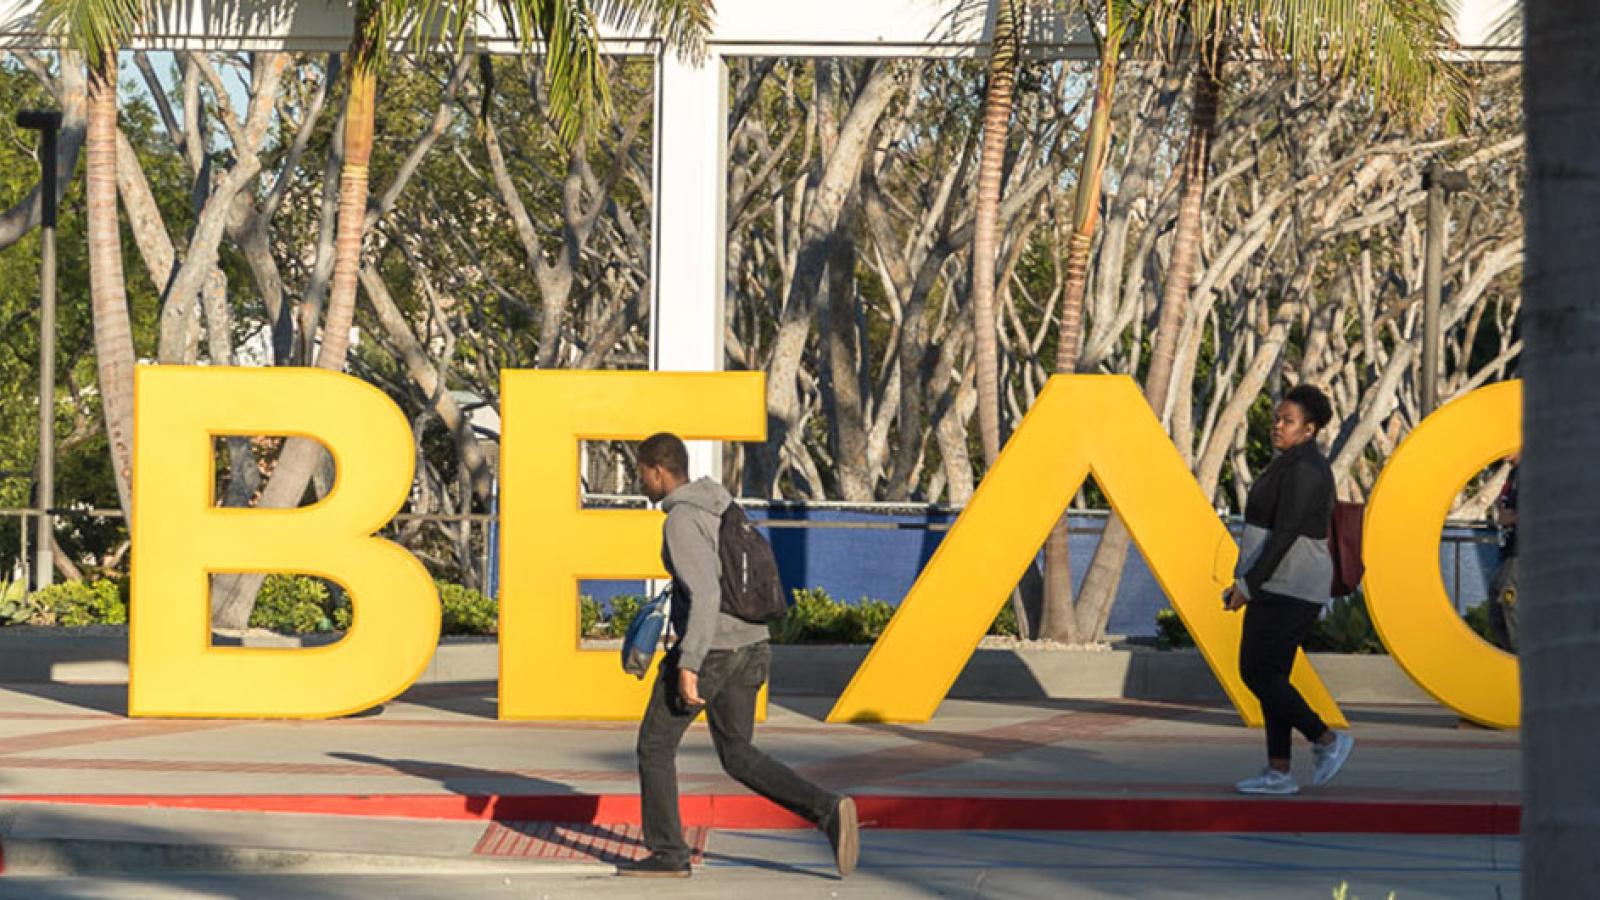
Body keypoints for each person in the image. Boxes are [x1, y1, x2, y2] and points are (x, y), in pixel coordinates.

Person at [620, 432, 859, 878]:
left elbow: (707, 593)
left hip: (714, 650)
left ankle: (669, 853)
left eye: (641, 474)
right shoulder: (722, 505)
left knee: (654, 745)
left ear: (657, 471)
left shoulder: (682, 518)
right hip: (753, 645)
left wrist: (688, 665)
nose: (641, 484)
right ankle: (828, 810)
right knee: (737, 754)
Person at [1225, 384, 1355, 795]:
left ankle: (1326, 739)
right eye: (1277, 418)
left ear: (1310, 429)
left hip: (1292, 586)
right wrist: (1247, 580)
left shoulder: (1306, 470)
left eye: (1288, 421)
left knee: (1257, 671)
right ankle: (1278, 771)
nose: (1277, 426)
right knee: (1272, 675)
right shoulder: (1291, 463)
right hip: (1277, 584)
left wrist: (1249, 584)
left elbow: (1284, 536)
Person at [1487, 455, 1519, 652]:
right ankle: (1508, 654)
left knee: (1509, 597)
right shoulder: (1513, 472)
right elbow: (1501, 508)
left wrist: (1511, 517)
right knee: (1496, 595)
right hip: (1510, 549)